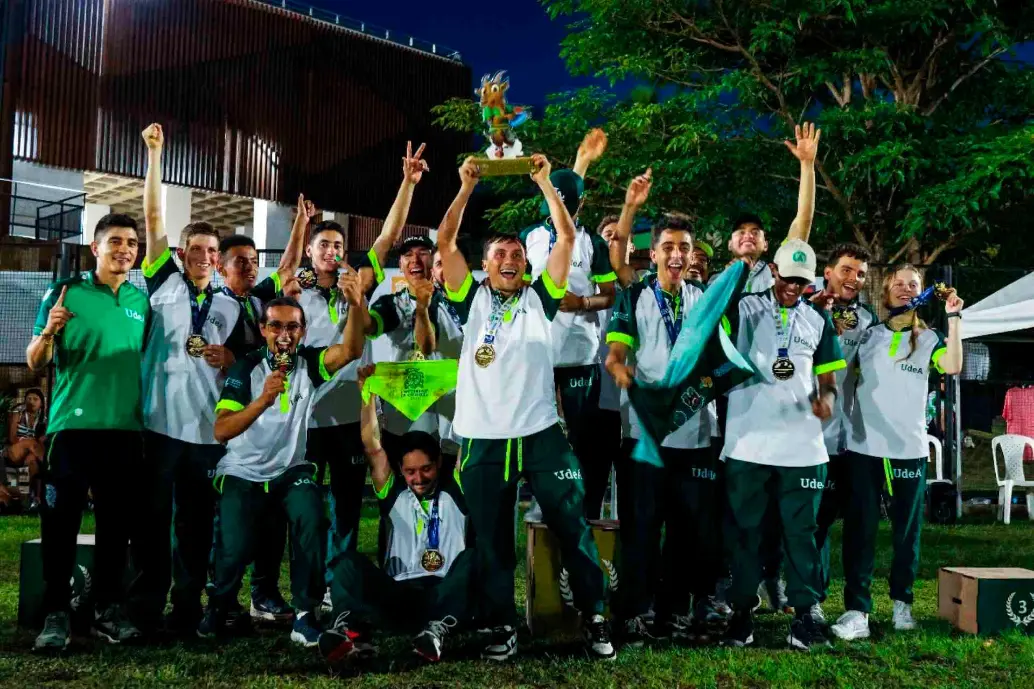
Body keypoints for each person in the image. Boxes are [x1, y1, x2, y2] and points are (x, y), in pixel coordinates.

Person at [438, 156, 615, 661]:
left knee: (573, 524)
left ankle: (595, 615)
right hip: (482, 436)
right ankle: (501, 623)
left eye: (516, 252)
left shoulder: (543, 297)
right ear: (486, 263)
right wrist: (466, 186)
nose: (509, 258)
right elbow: (447, 242)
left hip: (540, 433)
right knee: (491, 541)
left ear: (526, 263)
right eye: (499, 253)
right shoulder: (465, 297)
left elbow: (565, 239)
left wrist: (543, 184)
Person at [200, 286, 367, 647]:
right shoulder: (245, 367)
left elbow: (351, 350)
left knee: (313, 518)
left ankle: (305, 615)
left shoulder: (309, 363)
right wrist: (263, 400)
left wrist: (356, 304)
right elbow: (221, 430)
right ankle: (221, 605)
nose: (284, 334)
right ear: (263, 330)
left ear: (302, 331)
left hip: (291, 470)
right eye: (276, 326)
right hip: (242, 470)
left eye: (292, 327)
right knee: (236, 544)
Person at [604, 170, 721, 645]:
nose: (676, 254)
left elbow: (720, 361)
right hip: (646, 436)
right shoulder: (633, 296)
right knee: (641, 529)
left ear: (693, 256)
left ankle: (673, 611)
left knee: (688, 531)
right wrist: (625, 375)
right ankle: (634, 611)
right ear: (653, 254)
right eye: (668, 246)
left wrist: (708, 381)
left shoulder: (707, 302)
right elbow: (614, 357)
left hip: (695, 436)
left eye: (684, 247)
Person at [711, 122, 823, 614]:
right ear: (731, 244)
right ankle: (738, 588)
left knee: (787, 514)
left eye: (757, 232)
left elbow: (803, 220)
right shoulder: (722, 283)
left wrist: (806, 166)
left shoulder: (783, 269)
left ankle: (778, 583)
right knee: (742, 514)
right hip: (738, 412)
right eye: (742, 233)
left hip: (788, 415)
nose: (751, 237)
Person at [28, 213, 151, 651]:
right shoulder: (67, 293)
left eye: (132, 243)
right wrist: (49, 331)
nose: (125, 249)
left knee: (116, 528)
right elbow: (34, 360)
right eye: (115, 241)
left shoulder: (142, 300)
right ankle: (56, 613)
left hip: (124, 431)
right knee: (61, 525)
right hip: (72, 430)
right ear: (95, 247)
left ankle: (107, 610)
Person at [720, 238, 845, 650]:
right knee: (745, 534)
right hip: (748, 445)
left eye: (802, 282)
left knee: (802, 534)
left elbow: (828, 381)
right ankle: (741, 614)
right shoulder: (744, 309)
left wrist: (825, 400)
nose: (794, 287)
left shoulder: (818, 321)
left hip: (803, 449)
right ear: (773, 271)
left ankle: (805, 615)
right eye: (787, 278)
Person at [831, 266, 963, 640]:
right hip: (864, 448)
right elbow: (839, 376)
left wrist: (954, 318)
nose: (906, 290)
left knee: (907, 533)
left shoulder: (932, 338)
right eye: (899, 284)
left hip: (908, 450)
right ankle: (857, 611)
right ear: (886, 292)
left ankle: (902, 605)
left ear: (923, 294)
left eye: (914, 285)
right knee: (860, 530)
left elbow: (953, 365)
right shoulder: (868, 336)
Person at [319, 364, 474, 667]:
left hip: (442, 594)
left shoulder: (456, 486)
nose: (419, 478)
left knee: (474, 559)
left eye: (426, 468)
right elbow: (373, 446)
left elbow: (468, 438)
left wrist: (468, 388)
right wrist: (367, 396)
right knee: (346, 563)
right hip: (398, 594)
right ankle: (348, 628)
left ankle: (436, 632)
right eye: (411, 471)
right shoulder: (393, 492)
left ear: (439, 462)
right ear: (401, 470)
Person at [213, 225, 309, 623]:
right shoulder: (215, 306)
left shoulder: (258, 302)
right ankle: (220, 598)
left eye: (254, 262)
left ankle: (263, 593)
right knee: (233, 524)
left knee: (270, 515)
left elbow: (287, 270)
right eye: (241, 263)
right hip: (227, 417)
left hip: (267, 416)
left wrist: (300, 224)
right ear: (221, 267)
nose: (250, 269)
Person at [519, 129, 616, 518]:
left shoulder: (593, 242)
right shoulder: (529, 238)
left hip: (580, 355)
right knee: (542, 434)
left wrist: (582, 303)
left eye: (570, 200)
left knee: (583, 439)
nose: (561, 204)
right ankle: (546, 503)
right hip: (540, 354)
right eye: (555, 197)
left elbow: (611, 295)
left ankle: (586, 507)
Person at [806, 243, 875, 618]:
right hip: (798, 433)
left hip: (842, 439)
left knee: (834, 520)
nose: (853, 279)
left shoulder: (864, 320)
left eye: (861, 273)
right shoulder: (801, 304)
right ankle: (801, 592)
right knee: (808, 521)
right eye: (846, 270)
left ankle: (824, 599)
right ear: (828, 271)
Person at [5, 388, 47, 509]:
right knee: (30, 443)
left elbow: (42, 441)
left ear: (41, 403)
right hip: (14, 451)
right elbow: (12, 438)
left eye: (35, 399)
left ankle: (27, 499)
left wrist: (34, 442)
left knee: (32, 461)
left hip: (32, 452)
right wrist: (26, 441)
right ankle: (48, 465)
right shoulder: (18, 414)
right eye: (28, 399)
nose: (31, 401)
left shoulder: (44, 420)